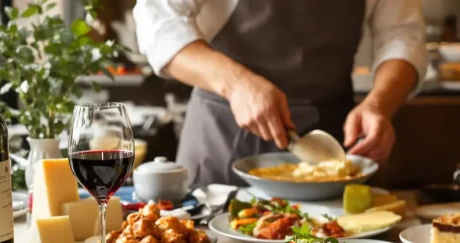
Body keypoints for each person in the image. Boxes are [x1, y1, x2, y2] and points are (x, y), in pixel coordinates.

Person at [134, 0, 426, 186]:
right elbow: (158, 22)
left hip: (333, 140)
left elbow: (402, 35)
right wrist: (236, 84)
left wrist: (378, 105)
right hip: (222, 139)